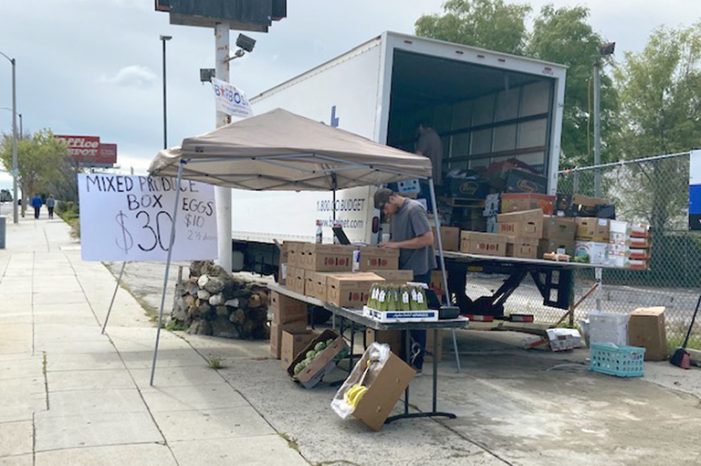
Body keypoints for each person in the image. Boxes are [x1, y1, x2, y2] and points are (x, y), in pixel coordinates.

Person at [374, 187, 436, 373]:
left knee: (416, 317)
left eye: (385, 208)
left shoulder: (414, 209)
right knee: (402, 317)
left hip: (418, 270)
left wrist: (396, 245)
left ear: (392, 198)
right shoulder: (396, 215)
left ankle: (416, 364)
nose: (386, 213)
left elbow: (427, 239)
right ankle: (404, 359)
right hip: (402, 271)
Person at [415, 121, 444, 211]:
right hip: (436, 176)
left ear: (420, 127)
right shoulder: (437, 137)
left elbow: (418, 155)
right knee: (432, 204)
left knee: (423, 204)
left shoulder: (425, 137)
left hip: (425, 177)